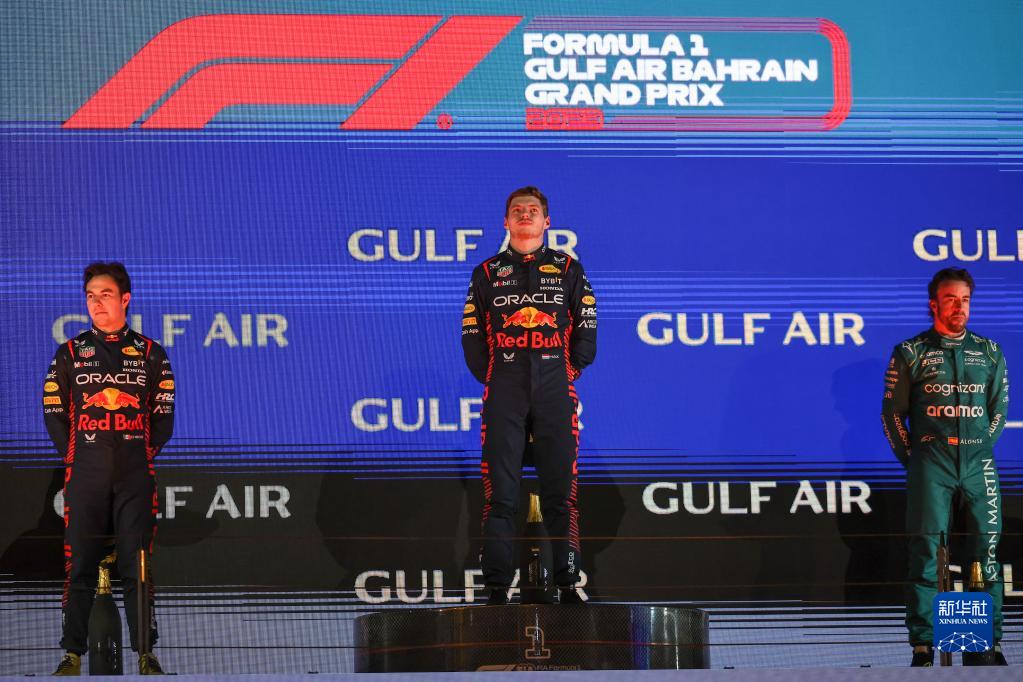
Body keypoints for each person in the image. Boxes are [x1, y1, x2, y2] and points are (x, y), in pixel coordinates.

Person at [462, 186, 597, 605]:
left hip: (555, 385)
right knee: (500, 494)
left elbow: (587, 324)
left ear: (546, 221)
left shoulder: (568, 267)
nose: (525, 215)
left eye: (533, 210)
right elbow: (471, 334)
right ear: (505, 222)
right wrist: (495, 373)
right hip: (505, 386)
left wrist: (568, 369)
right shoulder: (486, 272)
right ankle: (496, 587)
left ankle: (568, 583)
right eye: (517, 210)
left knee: (561, 494)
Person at [44, 263, 175, 675]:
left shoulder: (151, 353)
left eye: (105, 294)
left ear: (125, 299)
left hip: (135, 475)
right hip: (85, 473)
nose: (96, 303)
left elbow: (163, 417)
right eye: (90, 296)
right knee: (80, 562)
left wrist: (136, 452)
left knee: (137, 564)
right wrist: (79, 457)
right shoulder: (70, 353)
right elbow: (53, 412)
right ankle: (71, 655)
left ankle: (145, 655)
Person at [881, 267, 1009, 667]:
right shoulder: (911, 351)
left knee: (985, 554)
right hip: (931, 465)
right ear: (934, 305)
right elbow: (892, 415)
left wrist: (977, 448)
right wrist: (917, 460)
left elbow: (998, 412)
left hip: (978, 464)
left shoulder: (989, 352)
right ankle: (923, 646)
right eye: (951, 299)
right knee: (927, 552)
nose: (959, 307)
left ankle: (983, 644)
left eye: (965, 299)